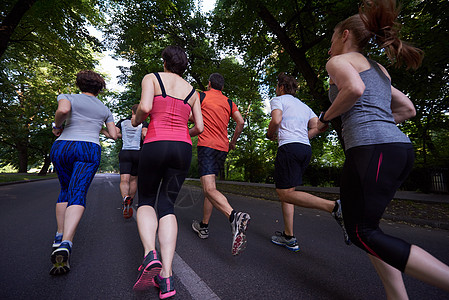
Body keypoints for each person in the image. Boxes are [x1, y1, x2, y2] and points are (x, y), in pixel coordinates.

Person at [318, 0, 449, 297]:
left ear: (345, 36)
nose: (328, 50)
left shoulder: (339, 62)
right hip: (398, 148)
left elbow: (354, 89)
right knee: (368, 229)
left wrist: (325, 118)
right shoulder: (378, 69)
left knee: (361, 232)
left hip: (371, 149)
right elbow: (408, 108)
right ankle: (396, 296)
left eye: (331, 41)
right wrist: (380, 123)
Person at [131, 45, 203, 299]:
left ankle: (151, 253)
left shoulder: (152, 78)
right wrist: (183, 134)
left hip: (155, 144)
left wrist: (135, 120)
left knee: (147, 201)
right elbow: (200, 127)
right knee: (168, 206)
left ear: (165, 62)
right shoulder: (194, 92)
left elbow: (146, 107)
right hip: (182, 149)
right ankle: (167, 277)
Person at [266, 73, 349, 252]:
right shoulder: (303, 106)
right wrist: (302, 136)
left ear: (281, 87)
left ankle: (334, 206)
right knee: (289, 192)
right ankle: (289, 237)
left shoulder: (278, 100)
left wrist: (270, 134)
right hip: (305, 149)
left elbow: (276, 120)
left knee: (284, 194)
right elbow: (320, 126)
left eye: (276, 87)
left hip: (289, 149)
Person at [49, 70, 117, 275]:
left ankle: (59, 236)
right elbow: (113, 135)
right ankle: (67, 243)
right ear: (99, 89)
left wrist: (56, 126)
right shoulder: (104, 108)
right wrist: (98, 127)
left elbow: (63, 110)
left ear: (80, 85)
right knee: (77, 193)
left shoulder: (67, 96)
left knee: (64, 190)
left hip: (63, 146)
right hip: (88, 148)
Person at [191, 73, 249, 256]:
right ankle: (204, 226)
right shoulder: (229, 102)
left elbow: (192, 117)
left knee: (208, 189)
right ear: (222, 87)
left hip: (207, 146)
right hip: (222, 148)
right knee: (212, 188)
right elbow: (240, 122)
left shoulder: (201, 96)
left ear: (209, 84)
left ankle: (234, 216)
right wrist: (232, 142)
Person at [113, 104, 148, 219]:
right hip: (138, 153)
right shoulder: (144, 123)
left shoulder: (122, 122)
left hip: (125, 153)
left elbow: (114, 134)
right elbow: (144, 134)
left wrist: (123, 136)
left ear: (131, 111)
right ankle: (130, 202)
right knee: (134, 179)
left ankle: (125, 198)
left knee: (124, 179)